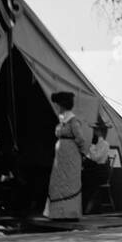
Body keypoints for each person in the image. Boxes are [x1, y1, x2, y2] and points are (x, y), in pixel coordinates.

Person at [45, 91, 90, 220]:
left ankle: (70, 212)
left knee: (69, 182)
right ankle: (58, 213)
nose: (58, 107)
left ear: (63, 105)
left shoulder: (73, 120)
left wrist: (81, 151)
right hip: (61, 155)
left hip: (70, 154)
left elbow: (80, 138)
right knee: (59, 181)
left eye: (59, 105)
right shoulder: (63, 119)